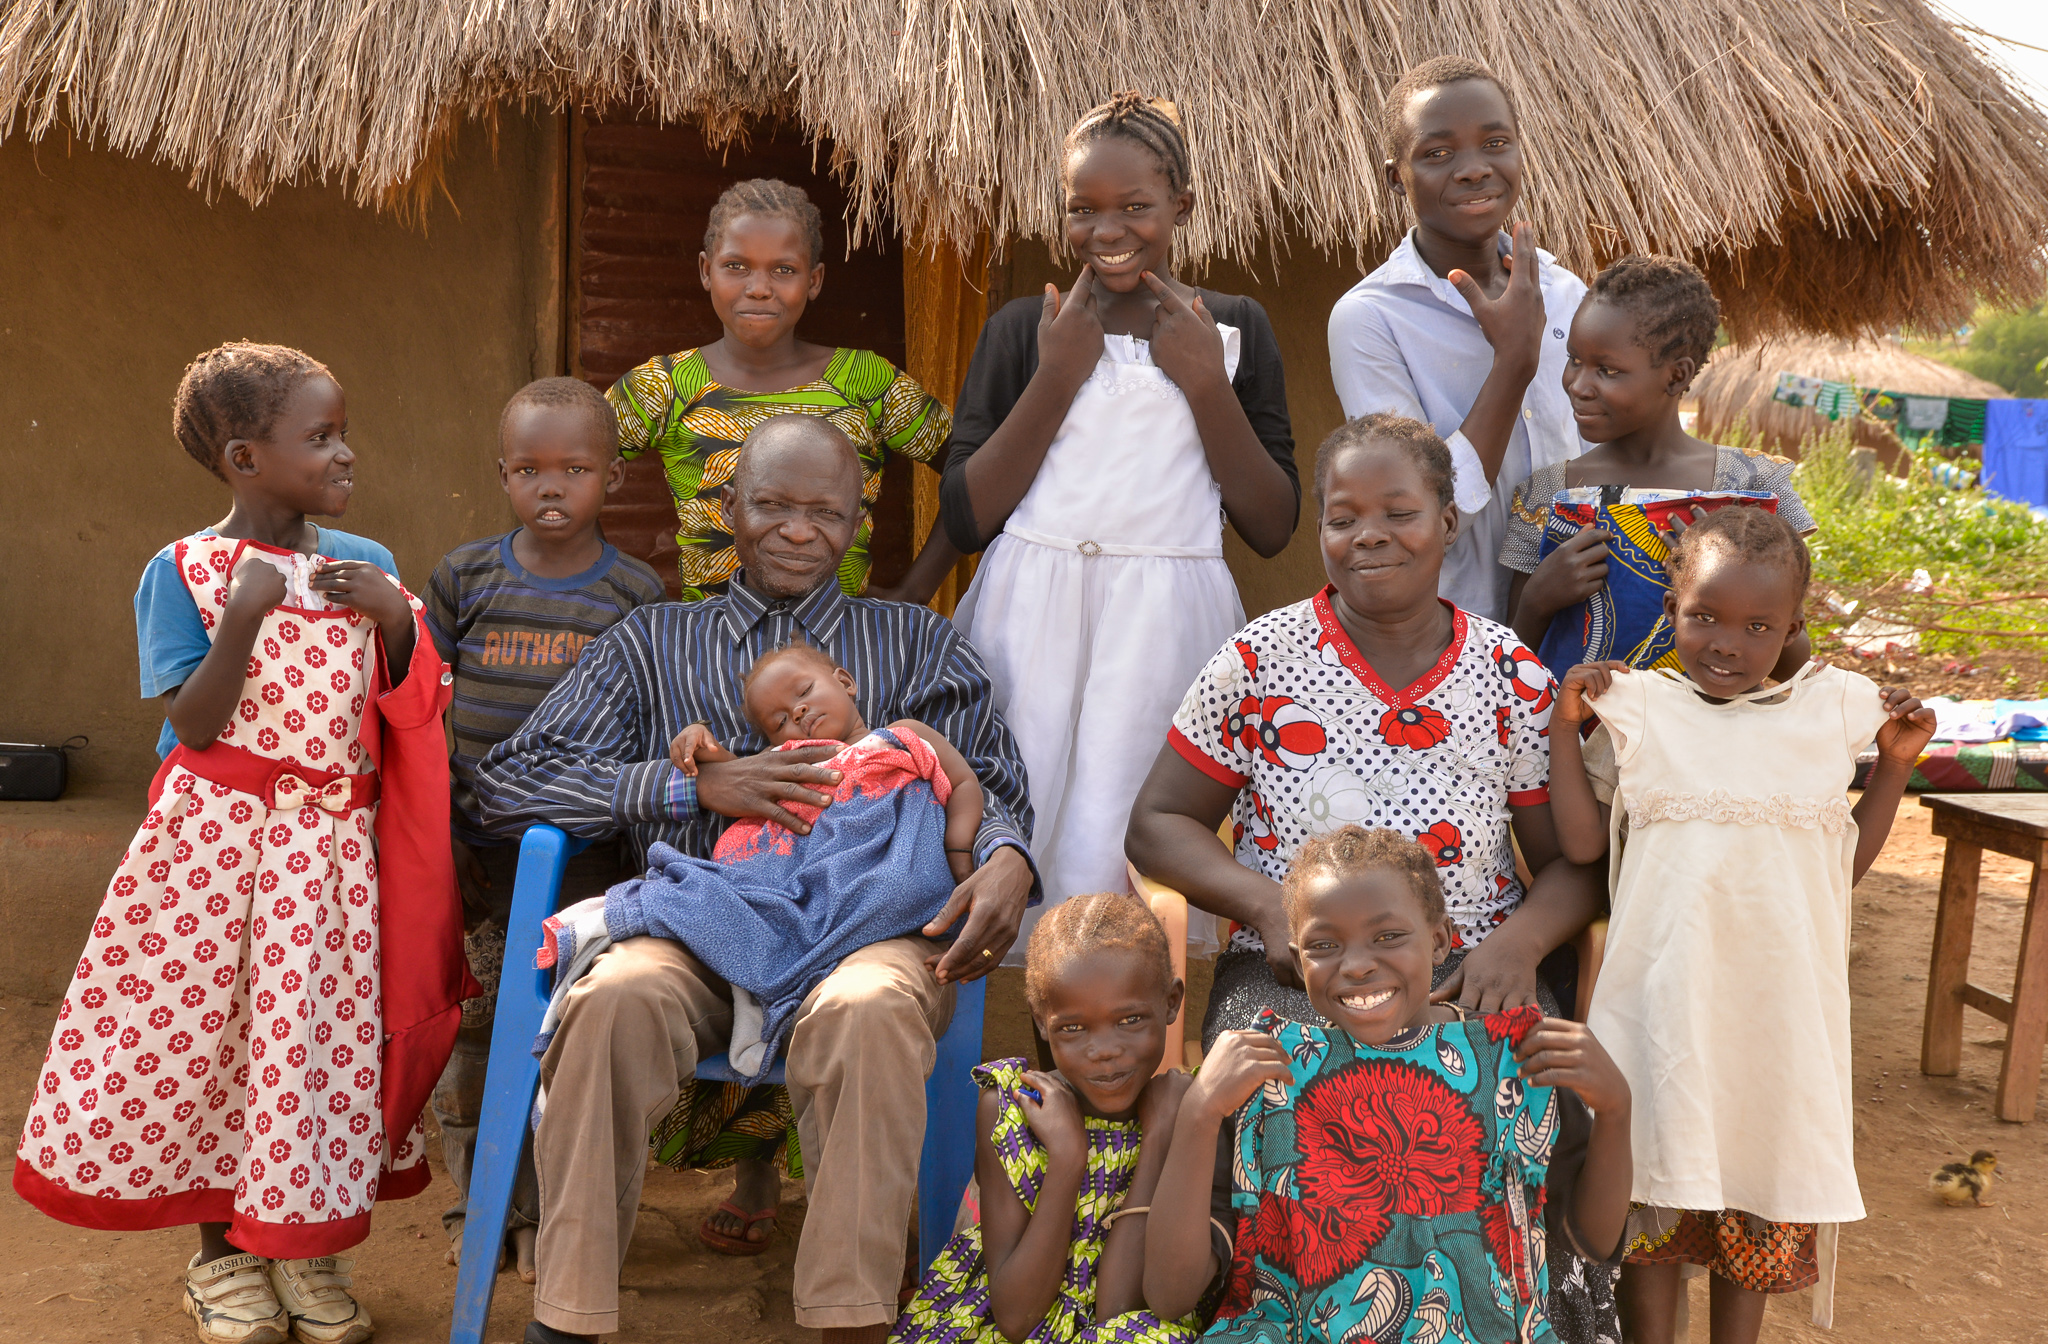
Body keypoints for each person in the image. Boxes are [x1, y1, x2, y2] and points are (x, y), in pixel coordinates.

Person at [471, 414, 1039, 1344]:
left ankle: (849, 1318)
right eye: (771, 504)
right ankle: (568, 1318)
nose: (796, 528)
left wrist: (1009, 859)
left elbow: (996, 783)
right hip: (705, 925)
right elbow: (509, 783)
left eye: (824, 510)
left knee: (869, 1011)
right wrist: (684, 784)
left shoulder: (915, 643)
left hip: (870, 927)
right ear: (727, 508)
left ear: (859, 523)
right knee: (612, 995)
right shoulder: (653, 641)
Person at [1125, 414, 1621, 1343]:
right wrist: (1262, 905)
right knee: (1264, 1082)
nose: (1370, 535)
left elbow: (1570, 871)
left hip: (1471, 968)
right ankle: (1289, 1307)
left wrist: (1518, 944)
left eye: (1399, 512)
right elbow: (1156, 823)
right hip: (1298, 966)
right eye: (1344, 516)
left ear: (1448, 522)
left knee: (1530, 1087)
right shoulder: (1259, 659)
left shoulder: (1506, 672)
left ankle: (1506, 1311)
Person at [14, 343, 468, 1344]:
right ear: (243, 457)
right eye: (320, 436)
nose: (345, 453)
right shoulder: (181, 572)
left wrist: (398, 622)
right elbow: (199, 723)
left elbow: (410, 704)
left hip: (334, 864)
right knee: (217, 1046)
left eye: (343, 431)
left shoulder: (373, 569)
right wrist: (241, 623)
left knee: (313, 1047)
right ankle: (221, 1258)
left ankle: (301, 1250)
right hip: (214, 857)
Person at [1545, 508, 1935, 1344]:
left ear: (1794, 626)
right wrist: (1564, 724)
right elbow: (1580, 843)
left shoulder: (1835, 711)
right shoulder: (1639, 707)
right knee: (1655, 1199)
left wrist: (1894, 767)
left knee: (1751, 1196)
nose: (1727, 642)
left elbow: (1838, 872)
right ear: (1672, 608)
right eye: (1704, 617)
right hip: (1662, 1012)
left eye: (1758, 626)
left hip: (1776, 1019)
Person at [939, 93, 1298, 953]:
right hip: (1030, 613)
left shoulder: (1235, 328)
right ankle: (1011, 1062)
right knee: (1017, 812)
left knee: (1128, 836)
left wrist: (1206, 381)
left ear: (1182, 206)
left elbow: (1273, 521)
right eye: (1083, 208)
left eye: (1136, 206)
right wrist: (1057, 376)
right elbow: (967, 512)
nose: (1110, 228)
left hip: (1163, 622)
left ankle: (1132, 1051)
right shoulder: (1027, 329)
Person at [1142, 826, 1632, 1343]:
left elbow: (1591, 1242)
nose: (1356, 965)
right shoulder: (1263, 1077)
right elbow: (1170, 1294)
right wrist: (1199, 1112)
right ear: (1296, 956)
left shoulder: (1514, 1066)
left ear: (1441, 939)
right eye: (1324, 945)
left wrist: (1616, 1109)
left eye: (1388, 937)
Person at [422, 376, 665, 1278]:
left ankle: (557, 1219)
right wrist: (444, 832)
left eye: (574, 468)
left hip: (585, 869)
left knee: (566, 1037)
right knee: (479, 1037)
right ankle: (483, 1206)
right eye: (528, 470)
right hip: (479, 864)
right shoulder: (465, 576)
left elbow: (640, 734)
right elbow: (422, 709)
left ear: (612, 476)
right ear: (502, 475)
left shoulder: (636, 593)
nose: (550, 487)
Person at [608, 177, 959, 603]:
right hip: (711, 652)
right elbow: (568, 467)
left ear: (814, 280)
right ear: (705, 270)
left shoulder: (867, 380)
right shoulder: (662, 385)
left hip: (842, 648)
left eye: (784, 270)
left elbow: (970, 471)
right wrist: (601, 586)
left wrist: (915, 588)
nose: (758, 288)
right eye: (736, 266)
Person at [1327, 56, 1588, 623]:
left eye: (1496, 142)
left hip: (1587, 615)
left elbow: (1606, 457)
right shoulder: (1371, 318)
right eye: (1438, 154)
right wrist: (1513, 364)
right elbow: (1412, 513)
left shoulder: (1565, 292)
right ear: (1396, 175)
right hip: (1457, 634)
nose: (1473, 169)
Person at [892, 892, 1204, 1344]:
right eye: (1073, 1028)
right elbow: (1016, 1319)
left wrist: (1156, 1138)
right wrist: (1068, 1158)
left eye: (1130, 1019)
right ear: (1041, 1022)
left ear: (1172, 1002)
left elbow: (1121, 1314)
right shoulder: (1013, 1108)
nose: (1104, 1050)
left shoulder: (1190, 1110)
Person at [1498, 256, 1815, 680]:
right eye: (1575, 360)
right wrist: (1539, 598)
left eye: (1607, 370)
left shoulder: (1751, 486)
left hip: (1710, 741)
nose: (1578, 384)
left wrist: (1724, 577)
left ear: (1676, 375)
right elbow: (1507, 663)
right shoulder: (1546, 497)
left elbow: (1794, 658)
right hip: (1577, 741)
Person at [669, 642, 985, 882]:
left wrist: (957, 847)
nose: (798, 711)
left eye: (805, 691)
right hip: (805, 875)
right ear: (776, 742)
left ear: (845, 682)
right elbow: (733, 770)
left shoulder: (902, 735)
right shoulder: (787, 762)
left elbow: (962, 782)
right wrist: (699, 738)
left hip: (894, 863)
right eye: (780, 722)